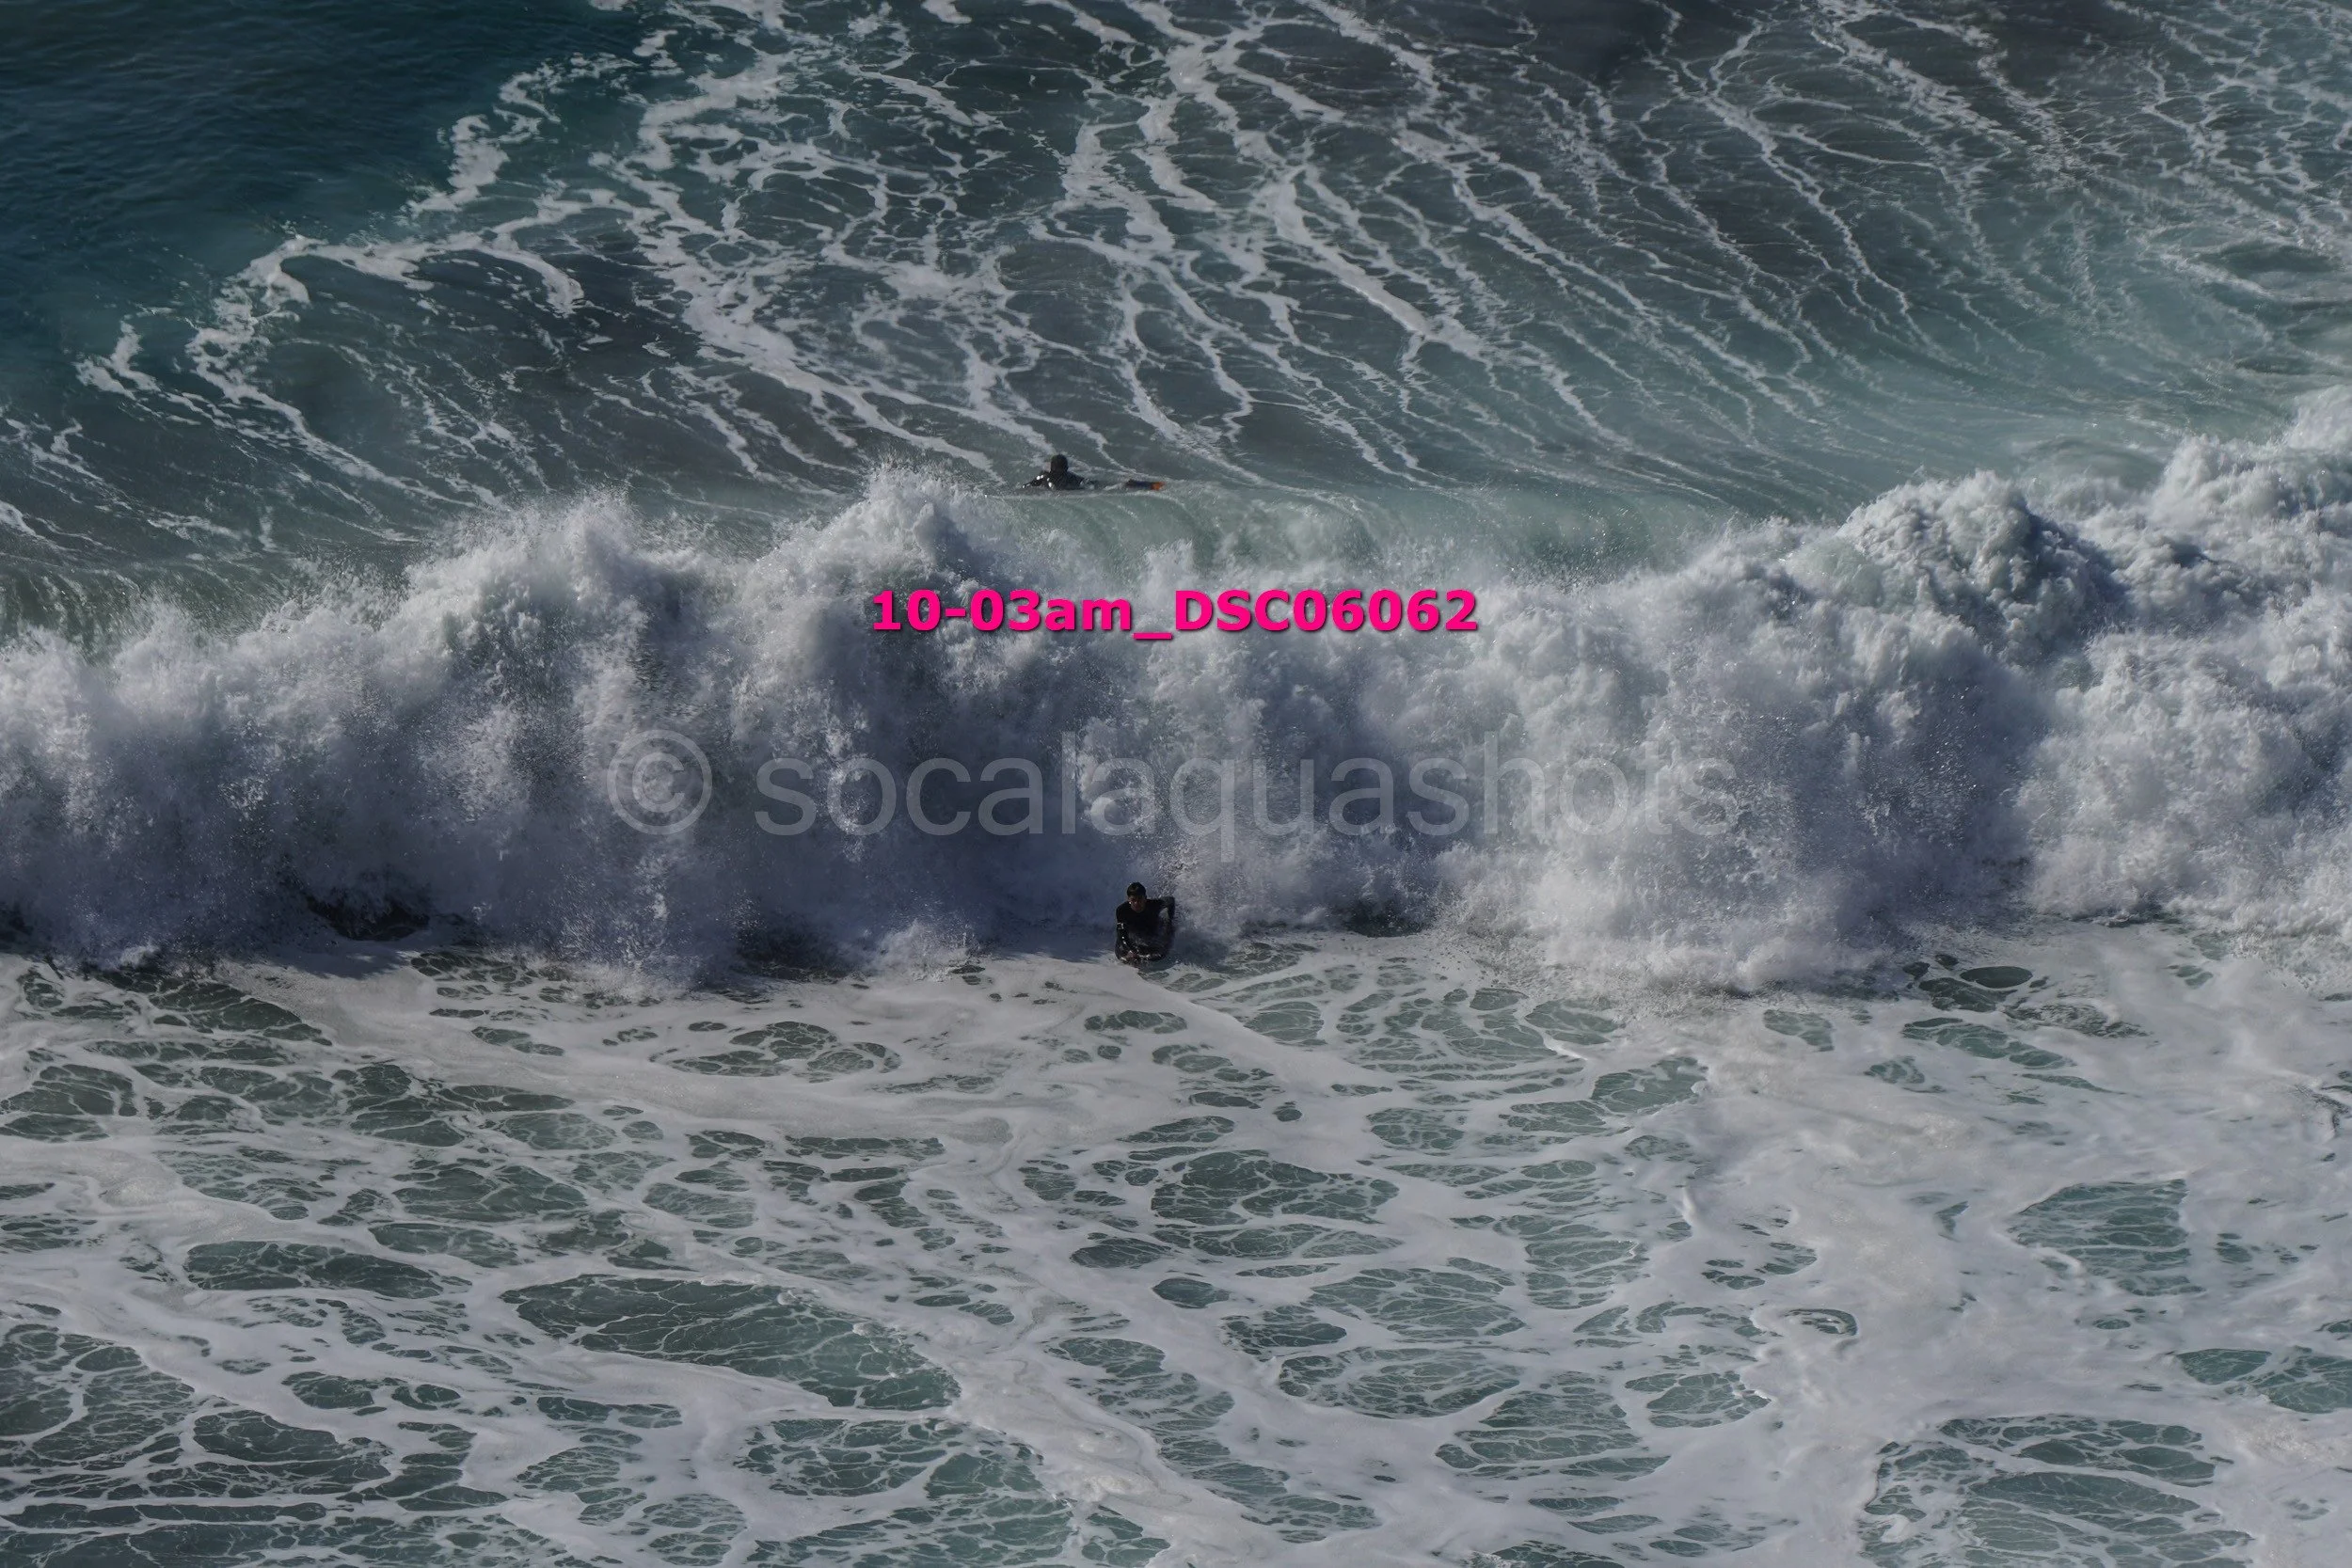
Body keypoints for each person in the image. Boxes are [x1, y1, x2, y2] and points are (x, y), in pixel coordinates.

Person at [1027, 453, 1164, 492]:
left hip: (1075, 489)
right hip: (1080, 486)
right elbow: (1083, 481)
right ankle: (1147, 485)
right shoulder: (1069, 475)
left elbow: (1031, 485)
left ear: (1052, 467)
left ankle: (1142, 485)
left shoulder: (1045, 476)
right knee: (1106, 485)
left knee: (1108, 486)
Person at [1115, 881, 1175, 965]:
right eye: (1133, 900)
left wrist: (1170, 920)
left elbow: (1171, 900)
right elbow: (1122, 935)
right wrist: (1131, 951)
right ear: (1128, 899)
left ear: (1145, 898)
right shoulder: (1122, 910)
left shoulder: (1155, 905)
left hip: (1151, 930)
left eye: (1140, 899)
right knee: (1123, 956)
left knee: (1160, 954)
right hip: (1134, 934)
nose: (1136, 903)